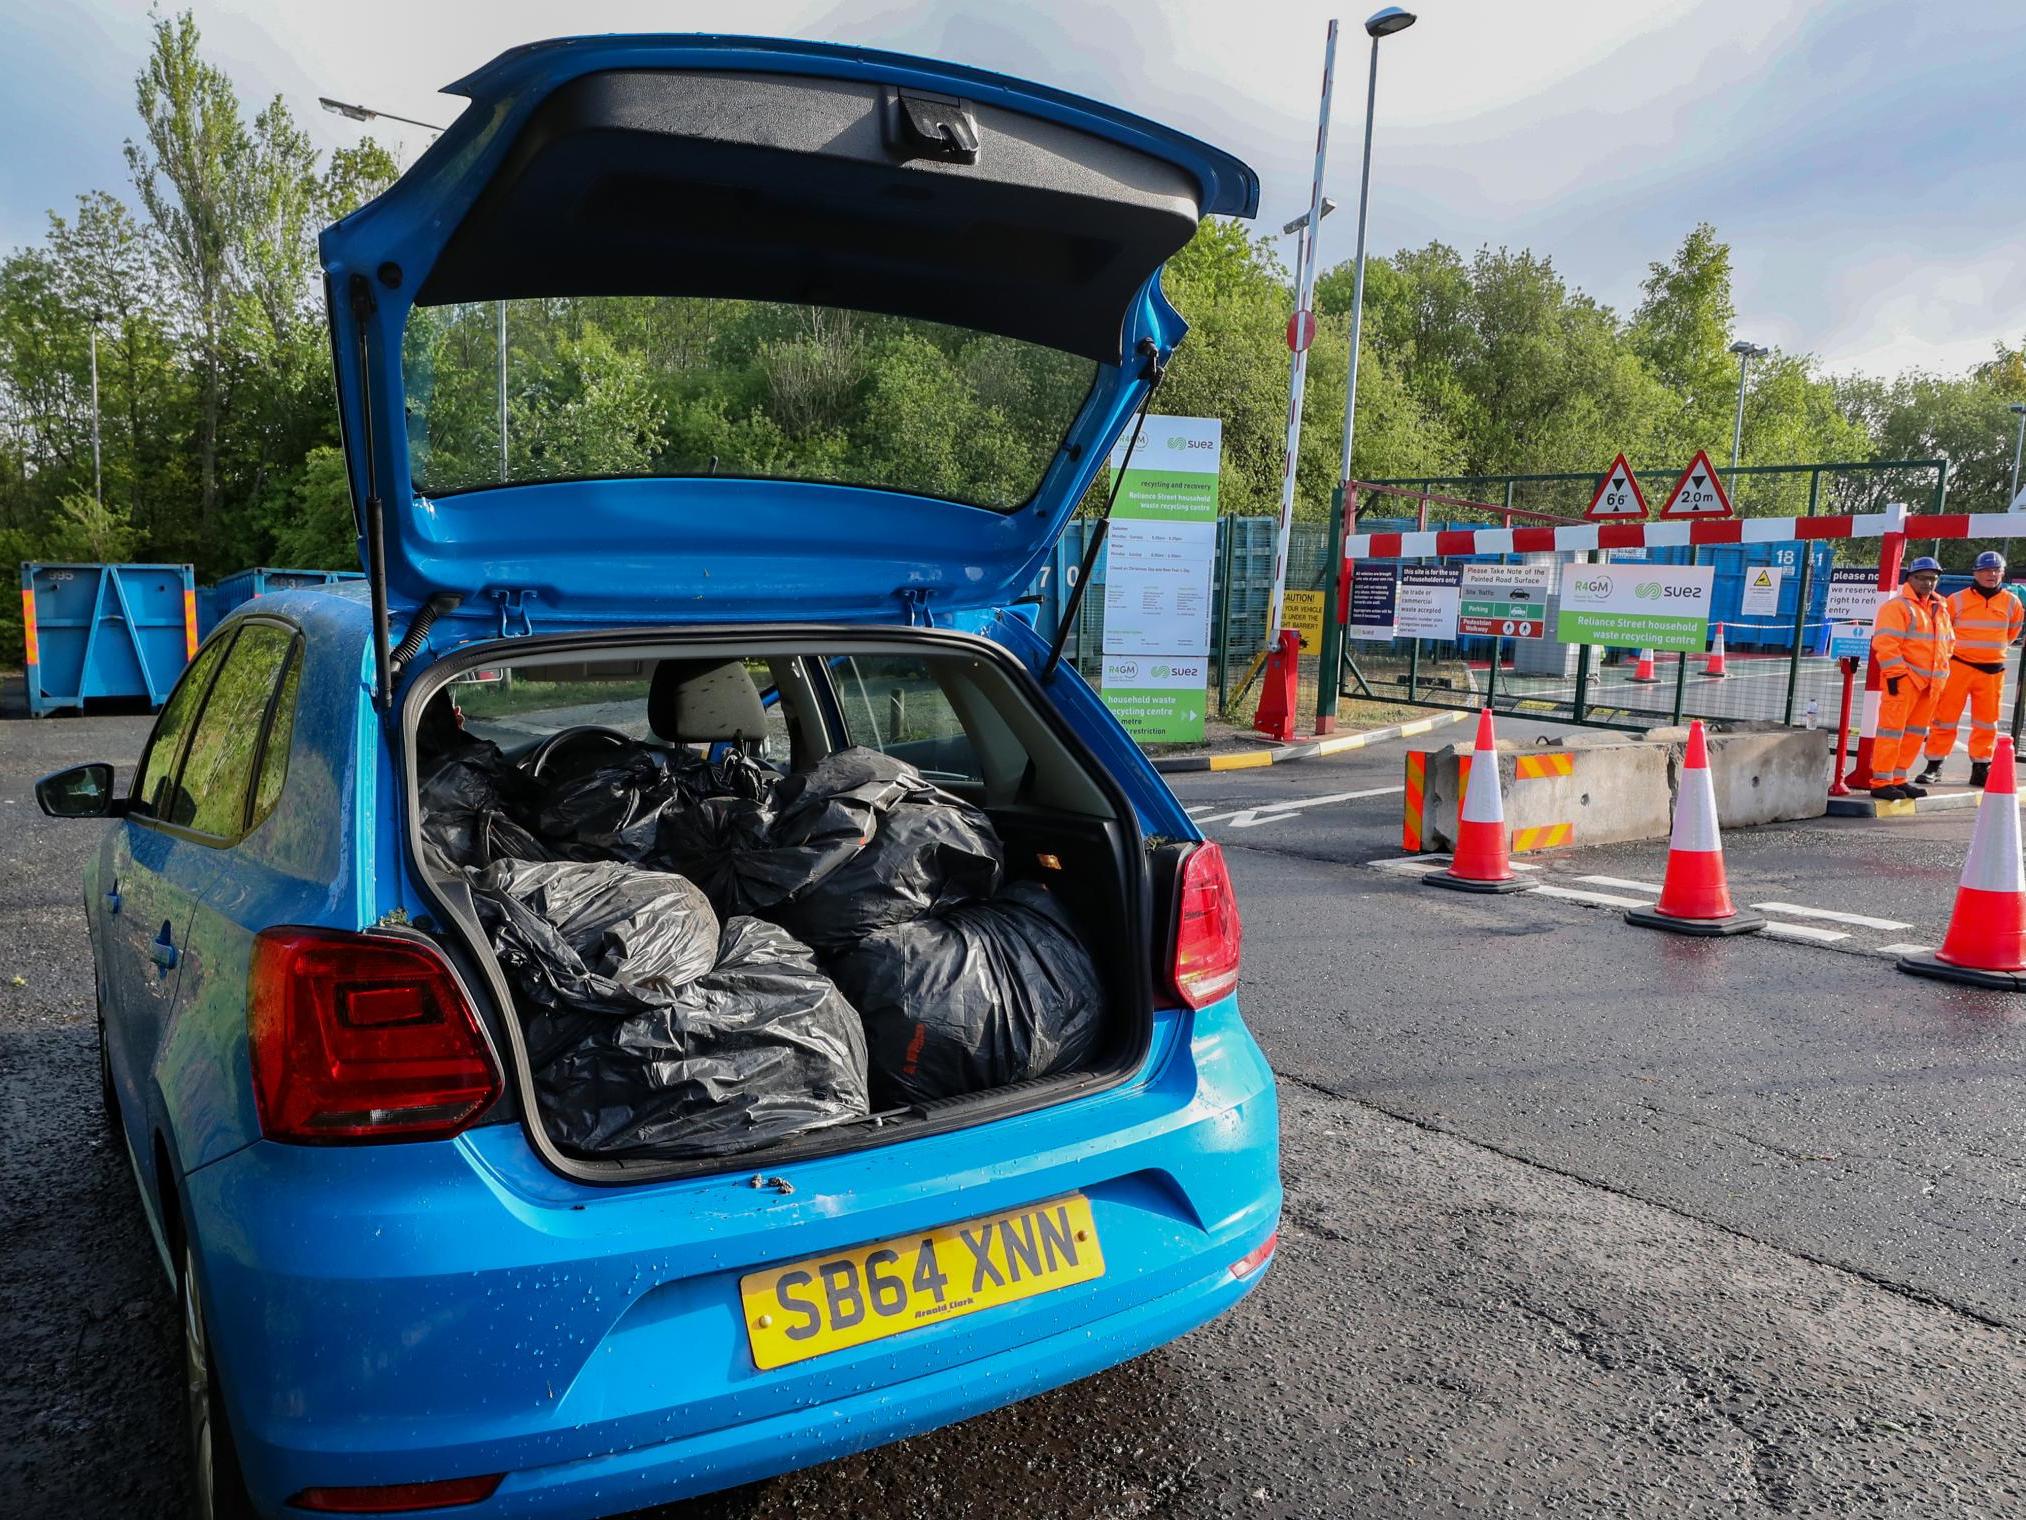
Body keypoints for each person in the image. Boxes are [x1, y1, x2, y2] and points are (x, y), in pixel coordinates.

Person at [1917, 550, 2023, 789]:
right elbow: (1944, 630)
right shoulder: (1957, 600)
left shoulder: (2012, 602)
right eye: (1986, 570)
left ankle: (1980, 767)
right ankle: (1934, 765)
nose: (1991, 574)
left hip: (1992, 671)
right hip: (1959, 666)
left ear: (2002, 573)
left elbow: (2012, 632)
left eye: (1996, 570)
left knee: (1987, 722)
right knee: (1944, 718)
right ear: (1975, 573)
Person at [1868, 556, 1953, 802]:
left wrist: (1942, 674)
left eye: (1933, 578)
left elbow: (1948, 644)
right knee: (1891, 732)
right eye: (1923, 578)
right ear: (1910, 579)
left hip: (1930, 684)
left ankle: (1898, 778)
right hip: (1905, 682)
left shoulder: (1940, 608)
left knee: (1914, 734)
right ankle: (1882, 781)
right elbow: (1885, 643)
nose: (1929, 583)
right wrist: (1897, 676)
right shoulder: (1897, 607)